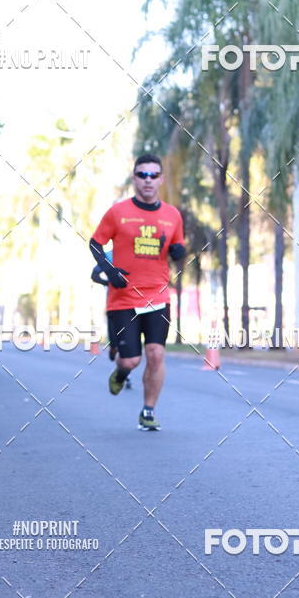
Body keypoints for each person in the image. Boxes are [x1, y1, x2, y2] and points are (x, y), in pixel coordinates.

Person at [90, 153, 185, 431]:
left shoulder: (172, 215)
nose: (148, 180)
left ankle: (148, 410)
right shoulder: (118, 212)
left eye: (153, 175)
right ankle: (121, 371)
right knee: (131, 359)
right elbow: (96, 244)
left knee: (156, 355)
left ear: (161, 180)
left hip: (158, 296)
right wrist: (110, 271)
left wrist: (180, 251)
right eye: (142, 175)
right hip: (123, 300)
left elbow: (177, 246)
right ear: (134, 179)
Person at [91, 250, 132, 389]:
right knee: (117, 343)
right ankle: (113, 348)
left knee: (126, 342)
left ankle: (126, 375)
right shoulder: (110, 255)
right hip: (114, 305)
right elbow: (94, 274)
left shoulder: (132, 252)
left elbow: (94, 275)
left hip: (130, 305)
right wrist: (109, 283)